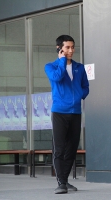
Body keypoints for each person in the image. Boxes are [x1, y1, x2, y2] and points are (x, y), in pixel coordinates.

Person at [44, 35, 89, 194]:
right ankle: (61, 182)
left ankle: (65, 180)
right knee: (59, 148)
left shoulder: (79, 67)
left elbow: (86, 87)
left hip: (75, 112)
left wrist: (78, 96)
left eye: (72, 47)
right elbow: (57, 77)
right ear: (60, 49)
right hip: (59, 112)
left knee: (71, 148)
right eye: (67, 47)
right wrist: (62, 61)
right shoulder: (51, 66)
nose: (71, 50)